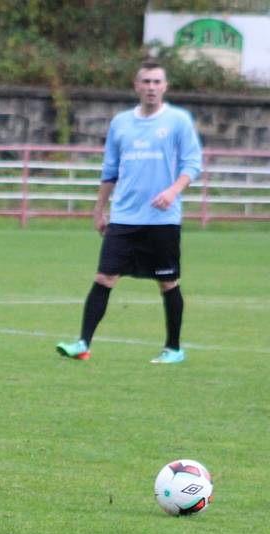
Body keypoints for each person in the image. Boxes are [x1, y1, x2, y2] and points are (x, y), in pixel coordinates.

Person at [56, 60, 202, 364]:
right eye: (146, 81)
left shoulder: (177, 121)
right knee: (103, 277)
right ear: (136, 86)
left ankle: (174, 349)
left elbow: (192, 164)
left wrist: (172, 191)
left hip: (162, 219)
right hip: (124, 217)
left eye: (156, 82)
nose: (151, 87)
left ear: (165, 87)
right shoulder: (121, 123)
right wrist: (99, 210)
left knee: (168, 282)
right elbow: (109, 171)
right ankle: (82, 343)